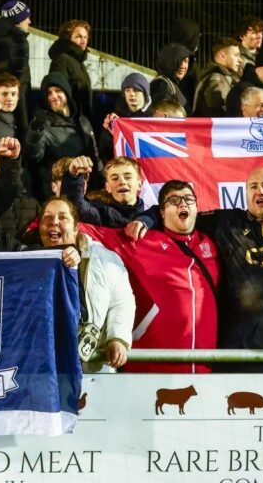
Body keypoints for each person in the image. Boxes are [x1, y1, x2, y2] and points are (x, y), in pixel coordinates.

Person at [128, 136, 263, 372]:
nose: (260, 190)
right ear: (245, 194)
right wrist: (148, 218)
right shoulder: (226, 224)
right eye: (253, 186)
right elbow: (182, 210)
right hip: (240, 356)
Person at [81, 181, 218, 373]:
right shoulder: (141, 240)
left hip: (206, 374)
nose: (183, 204)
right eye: (174, 200)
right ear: (161, 212)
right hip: (148, 371)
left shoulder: (212, 243)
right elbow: (79, 229)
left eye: (188, 199)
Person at [38, 195, 135, 372]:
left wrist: (118, 338)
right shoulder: (28, 261)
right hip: (45, 368)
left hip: (94, 368)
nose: (54, 222)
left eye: (63, 217)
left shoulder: (106, 259)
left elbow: (122, 302)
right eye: (47, 217)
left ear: (76, 228)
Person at [26, 72, 101, 200]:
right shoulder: (42, 123)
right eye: (49, 93)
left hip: (84, 191)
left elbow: (95, 157)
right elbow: (34, 155)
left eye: (58, 90)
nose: (53, 96)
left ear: (67, 92)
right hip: (57, 194)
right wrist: (36, 130)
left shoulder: (82, 121)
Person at [0, 0, 32, 138]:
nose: (29, 21)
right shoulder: (12, 44)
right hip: (14, 110)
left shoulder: (3, 40)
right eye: (26, 17)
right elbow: (11, 82)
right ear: (18, 21)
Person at [60, 155, 144, 227]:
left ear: (139, 184)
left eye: (128, 177)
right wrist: (73, 176)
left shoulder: (151, 218)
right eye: (115, 178)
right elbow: (75, 208)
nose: (122, 182)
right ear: (108, 187)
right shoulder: (100, 215)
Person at [99, 72, 151, 162]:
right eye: (127, 90)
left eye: (136, 90)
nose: (131, 94)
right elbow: (104, 151)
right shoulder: (114, 119)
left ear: (145, 93)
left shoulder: (154, 117)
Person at [49, 20, 93, 118]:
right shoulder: (62, 60)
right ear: (67, 38)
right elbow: (57, 94)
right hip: (70, 121)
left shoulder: (79, 62)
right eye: (79, 36)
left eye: (85, 37)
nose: (84, 40)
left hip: (80, 120)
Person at [193, 37, 242, 117]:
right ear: (222, 56)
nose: (240, 60)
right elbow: (215, 112)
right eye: (236, 55)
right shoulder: (217, 79)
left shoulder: (218, 76)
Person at [150, 42, 192, 115]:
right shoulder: (162, 85)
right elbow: (160, 117)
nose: (183, 66)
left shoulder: (171, 83)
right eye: (178, 61)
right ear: (168, 62)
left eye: (186, 61)